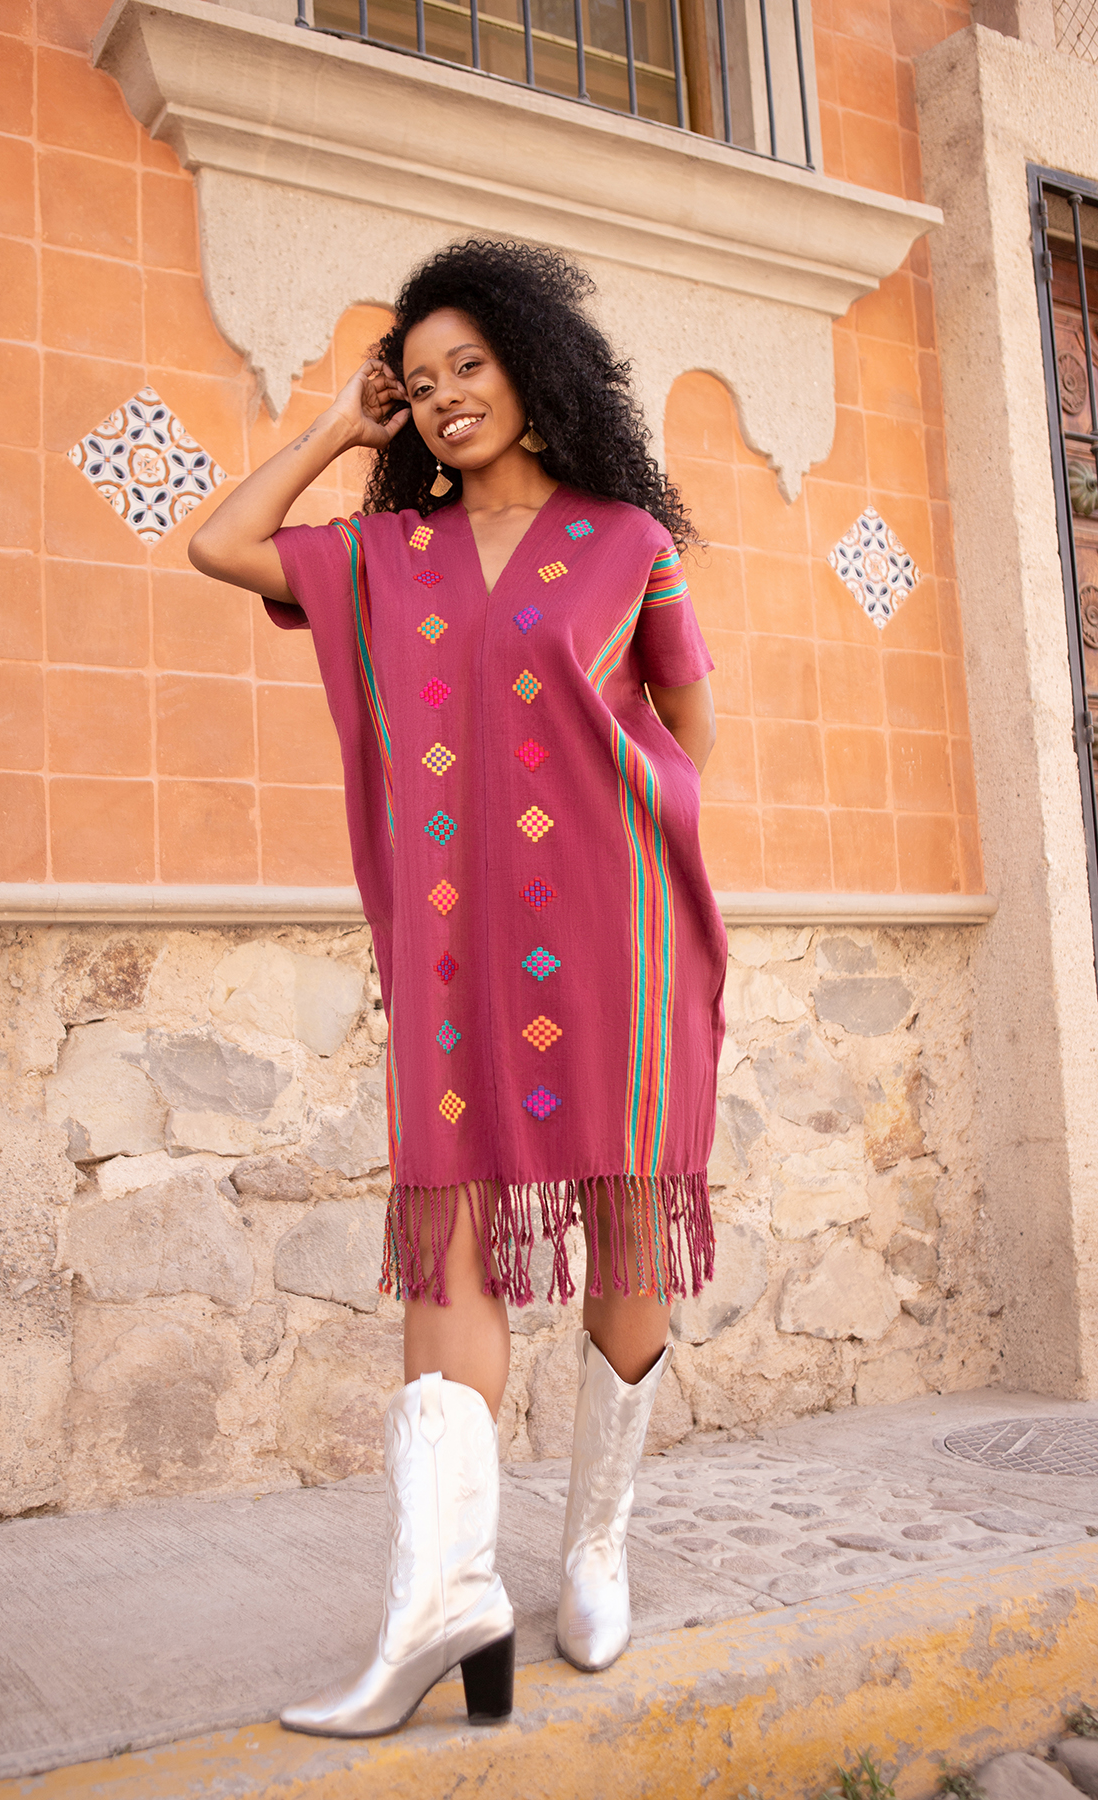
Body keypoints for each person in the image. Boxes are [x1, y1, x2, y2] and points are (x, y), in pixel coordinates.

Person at [189, 239, 726, 1738]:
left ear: (534, 369)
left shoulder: (628, 540)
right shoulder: (388, 554)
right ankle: (445, 1599)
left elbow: (687, 722)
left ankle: (596, 1548)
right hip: (448, 954)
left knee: (628, 1230)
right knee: (452, 1245)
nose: (443, 398)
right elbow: (222, 544)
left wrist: (625, 841)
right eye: (418, 384)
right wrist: (335, 427)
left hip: (617, 937)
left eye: (467, 366)